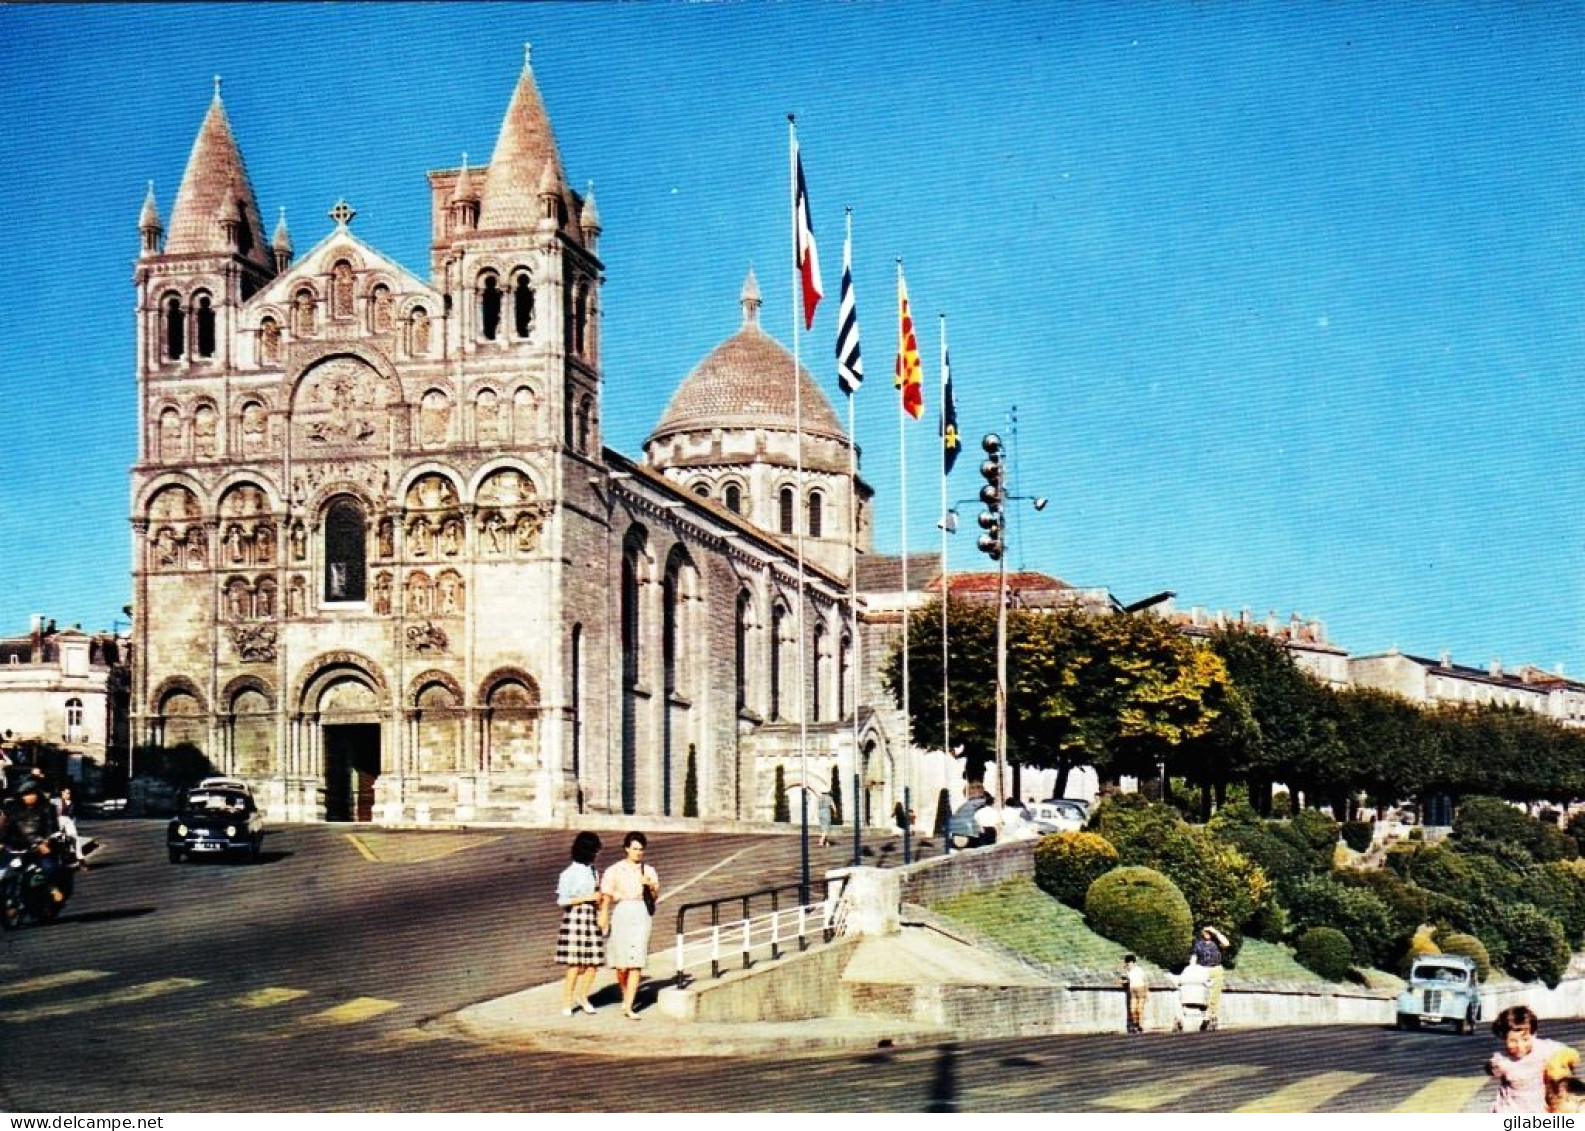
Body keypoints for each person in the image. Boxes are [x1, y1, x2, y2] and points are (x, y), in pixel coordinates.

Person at [599, 831, 660, 1020]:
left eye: (641, 849)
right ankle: (625, 991)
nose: (638, 853)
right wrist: (603, 915)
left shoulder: (648, 870)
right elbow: (607, 895)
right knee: (622, 964)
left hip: (641, 913)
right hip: (623, 912)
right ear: (627, 849)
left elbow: (655, 897)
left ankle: (629, 1004)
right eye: (635, 849)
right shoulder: (615, 870)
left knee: (637, 960)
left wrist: (649, 885)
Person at [1487, 1005, 1574, 1113]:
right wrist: (1491, 1067)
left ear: (1534, 1034)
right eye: (1513, 1041)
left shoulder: (1543, 1048)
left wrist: (1560, 1067)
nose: (1520, 1046)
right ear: (1503, 1037)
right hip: (1510, 1109)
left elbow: (1570, 1053)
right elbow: (1491, 1066)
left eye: (1525, 1039)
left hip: (1539, 1108)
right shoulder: (1502, 1058)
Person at [554, 831, 604, 1016]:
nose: (597, 853)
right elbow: (562, 900)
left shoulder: (593, 871)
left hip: (591, 917)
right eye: (594, 850)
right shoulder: (569, 873)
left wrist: (599, 909)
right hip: (575, 918)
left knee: (593, 963)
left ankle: (583, 996)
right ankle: (567, 1002)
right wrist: (587, 897)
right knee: (575, 964)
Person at [1, 778, 65, 903]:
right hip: (19, 848)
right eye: (25, 794)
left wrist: (46, 843)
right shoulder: (14, 811)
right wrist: (2, 842)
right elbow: (7, 830)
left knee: (48, 867)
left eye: (31, 793)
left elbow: (52, 829)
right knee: (6, 871)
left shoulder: (47, 808)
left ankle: (52, 887)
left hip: (40, 849)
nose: (29, 797)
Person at [1191, 925, 1228, 1030]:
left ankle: (1209, 1017)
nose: (1207, 933)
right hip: (1203, 970)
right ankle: (1209, 1016)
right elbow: (1194, 957)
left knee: (1214, 995)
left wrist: (1216, 932)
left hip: (1216, 969)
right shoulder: (1199, 944)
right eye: (1205, 931)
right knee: (1204, 995)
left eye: (1209, 932)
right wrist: (1192, 969)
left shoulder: (1217, 943)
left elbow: (1226, 944)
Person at [1170, 954, 1212, 1032]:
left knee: (1179, 1002)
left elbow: (1180, 981)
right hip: (1200, 997)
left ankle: (1179, 1018)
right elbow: (1207, 982)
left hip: (1186, 996)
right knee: (1207, 1001)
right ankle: (1206, 1018)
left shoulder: (1186, 969)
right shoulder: (1203, 970)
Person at [1120, 954, 1148, 1034]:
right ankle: (1136, 1024)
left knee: (1139, 1009)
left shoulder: (1139, 970)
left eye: (1128, 964)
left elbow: (1145, 981)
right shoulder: (1128, 971)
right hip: (1132, 990)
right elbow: (1128, 980)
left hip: (1140, 989)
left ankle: (1141, 1026)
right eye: (1127, 964)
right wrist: (1123, 982)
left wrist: (1146, 992)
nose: (1127, 965)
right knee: (1132, 1010)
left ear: (1133, 963)